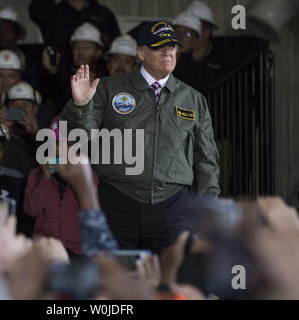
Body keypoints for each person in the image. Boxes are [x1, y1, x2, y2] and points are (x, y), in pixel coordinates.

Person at [60, 20, 220, 255]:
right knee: (114, 281)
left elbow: (206, 160)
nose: (168, 52)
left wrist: (209, 210)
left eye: (172, 46)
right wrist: (81, 105)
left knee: (169, 282)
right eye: (159, 47)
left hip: (172, 206)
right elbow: (78, 138)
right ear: (140, 53)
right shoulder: (107, 88)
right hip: (118, 201)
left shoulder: (193, 99)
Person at [23, 117, 98, 257]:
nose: (64, 149)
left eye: (69, 144)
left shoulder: (88, 176)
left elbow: (93, 215)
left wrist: (79, 178)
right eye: (58, 143)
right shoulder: (37, 174)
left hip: (78, 251)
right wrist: (44, 179)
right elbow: (31, 211)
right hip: (45, 250)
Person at [41, 22, 105, 115]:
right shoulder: (66, 78)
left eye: (86, 48)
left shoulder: (106, 78)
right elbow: (55, 93)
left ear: (98, 52)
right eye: (76, 48)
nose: (80, 53)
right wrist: (53, 71)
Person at [29, 0, 120, 57]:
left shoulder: (104, 14)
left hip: (96, 76)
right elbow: (35, 12)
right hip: (57, 77)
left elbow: (116, 47)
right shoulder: (52, 11)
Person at [0, 81, 46, 177]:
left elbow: (55, 167)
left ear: (35, 109)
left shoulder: (48, 133)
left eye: (25, 105)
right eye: (14, 106)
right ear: (7, 110)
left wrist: (36, 134)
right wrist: (4, 132)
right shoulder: (1, 136)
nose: (20, 109)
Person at [172, 11, 216, 96]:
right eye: (177, 32)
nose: (180, 37)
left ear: (195, 39)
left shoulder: (201, 73)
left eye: (187, 34)